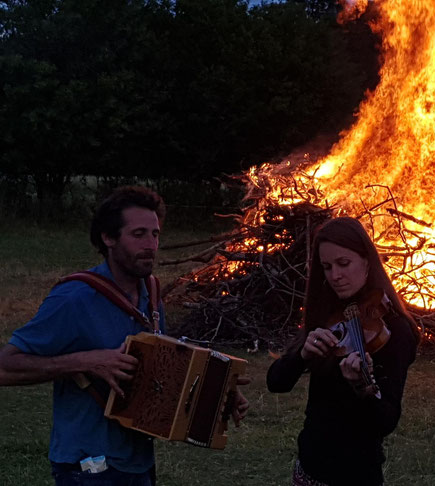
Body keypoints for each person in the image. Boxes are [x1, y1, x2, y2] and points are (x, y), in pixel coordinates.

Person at [0, 186, 249, 485]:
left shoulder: (151, 292)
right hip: (88, 464)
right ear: (108, 238)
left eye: (155, 234)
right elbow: (6, 367)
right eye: (139, 234)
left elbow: (161, 369)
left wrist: (218, 391)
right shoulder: (75, 297)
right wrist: (86, 361)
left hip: (137, 459)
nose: (151, 245)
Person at [266, 217, 420, 486]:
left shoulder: (395, 331)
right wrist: (302, 354)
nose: (335, 276)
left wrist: (360, 386)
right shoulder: (328, 314)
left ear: (367, 261)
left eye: (343, 264)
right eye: (326, 267)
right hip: (308, 472)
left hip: (355, 476)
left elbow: (385, 420)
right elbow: (275, 382)